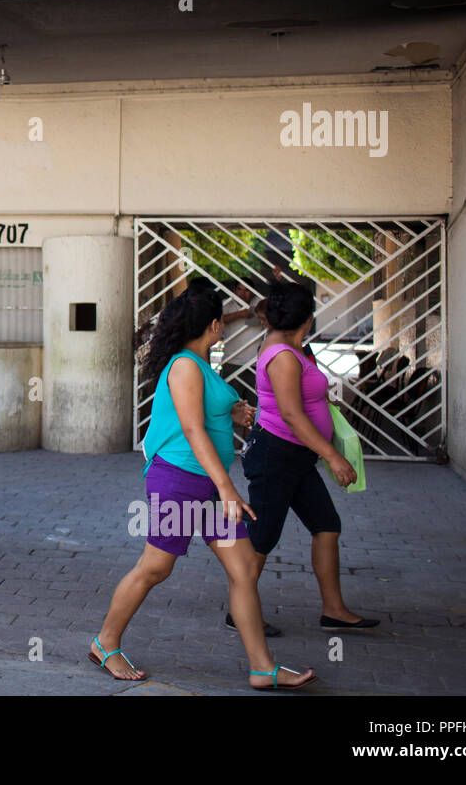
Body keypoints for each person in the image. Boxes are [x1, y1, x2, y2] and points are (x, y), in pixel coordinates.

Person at [90, 285, 317, 690]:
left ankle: (262, 668)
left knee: (244, 568)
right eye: (221, 320)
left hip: (207, 485)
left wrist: (233, 411)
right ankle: (105, 643)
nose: (223, 326)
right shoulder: (184, 367)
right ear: (212, 325)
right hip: (179, 480)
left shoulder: (200, 366)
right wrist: (228, 487)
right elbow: (192, 430)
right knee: (156, 568)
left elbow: (206, 412)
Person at [240, 281, 379, 630]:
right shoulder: (283, 356)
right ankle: (238, 611)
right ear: (309, 317)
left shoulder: (294, 347)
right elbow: (291, 414)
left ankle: (334, 610)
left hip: (297, 457)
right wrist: (333, 455)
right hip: (276, 454)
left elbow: (310, 401)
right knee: (262, 535)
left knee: (326, 525)